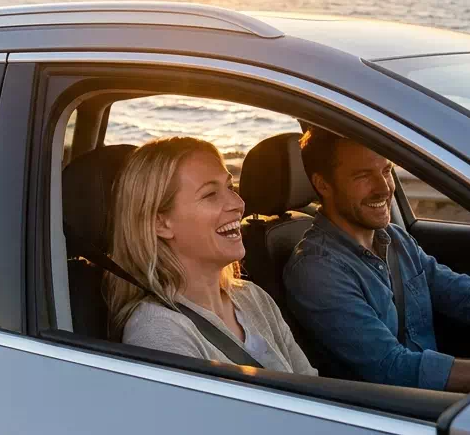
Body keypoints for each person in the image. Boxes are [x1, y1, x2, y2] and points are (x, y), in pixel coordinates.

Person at [282, 126, 470, 393]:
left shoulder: (395, 239)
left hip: (431, 400)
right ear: (323, 185)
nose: (384, 187)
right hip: (394, 416)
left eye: (386, 170)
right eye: (363, 176)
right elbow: (395, 371)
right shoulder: (316, 270)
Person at [106, 136, 316, 375]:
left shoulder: (253, 297)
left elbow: (312, 386)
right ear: (161, 223)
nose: (238, 203)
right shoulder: (157, 331)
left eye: (230, 187)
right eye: (210, 195)